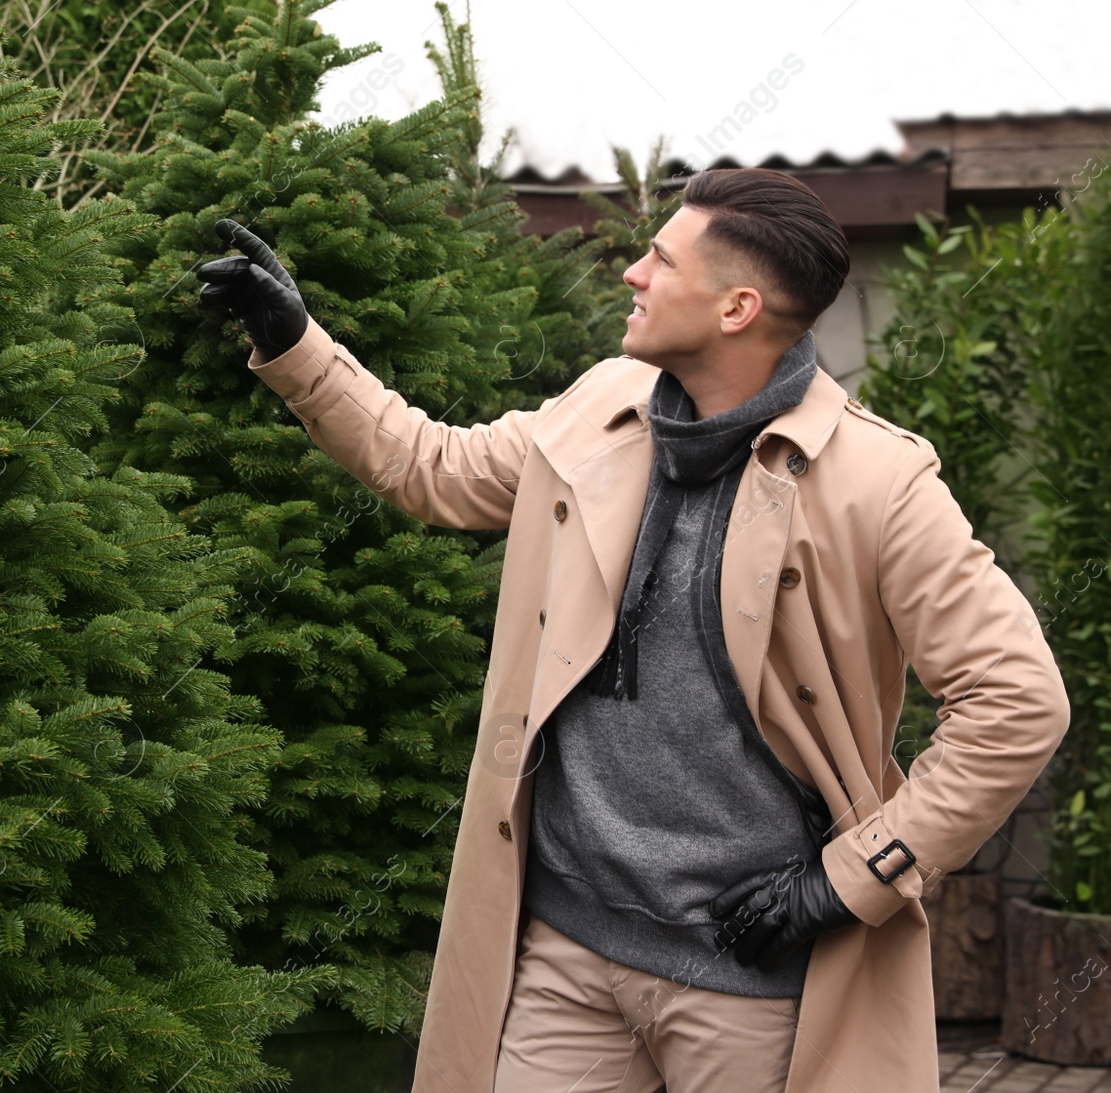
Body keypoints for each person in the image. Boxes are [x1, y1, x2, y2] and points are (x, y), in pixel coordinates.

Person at [195, 167, 1069, 1093]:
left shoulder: (879, 482)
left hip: (756, 984)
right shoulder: (605, 403)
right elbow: (434, 468)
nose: (633, 275)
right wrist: (294, 342)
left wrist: (851, 878)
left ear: (736, 307)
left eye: (659, 258)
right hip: (567, 956)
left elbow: (1017, 702)